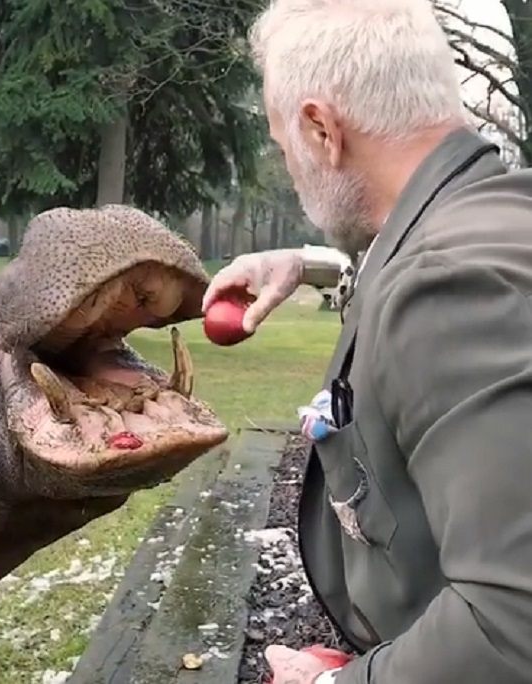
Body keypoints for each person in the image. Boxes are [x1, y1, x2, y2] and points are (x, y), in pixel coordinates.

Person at [202, 0, 532, 682]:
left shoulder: (449, 293)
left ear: (322, 130)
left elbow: (512, 628)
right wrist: (307, 264)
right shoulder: (500, 214)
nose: (291, 166)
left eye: (283, 144)